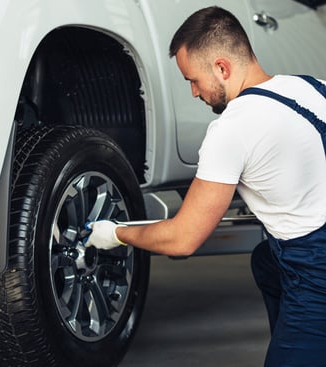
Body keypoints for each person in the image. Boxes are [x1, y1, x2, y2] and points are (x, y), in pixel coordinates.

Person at [85, 6, 326, 366]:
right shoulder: (313, 86)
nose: (195, 93)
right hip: (310, 247)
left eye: (193, 80)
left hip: (317, 269)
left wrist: (117, 234)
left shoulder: (231, 129)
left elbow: (183, 240)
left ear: (222, 68)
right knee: (266, 262)